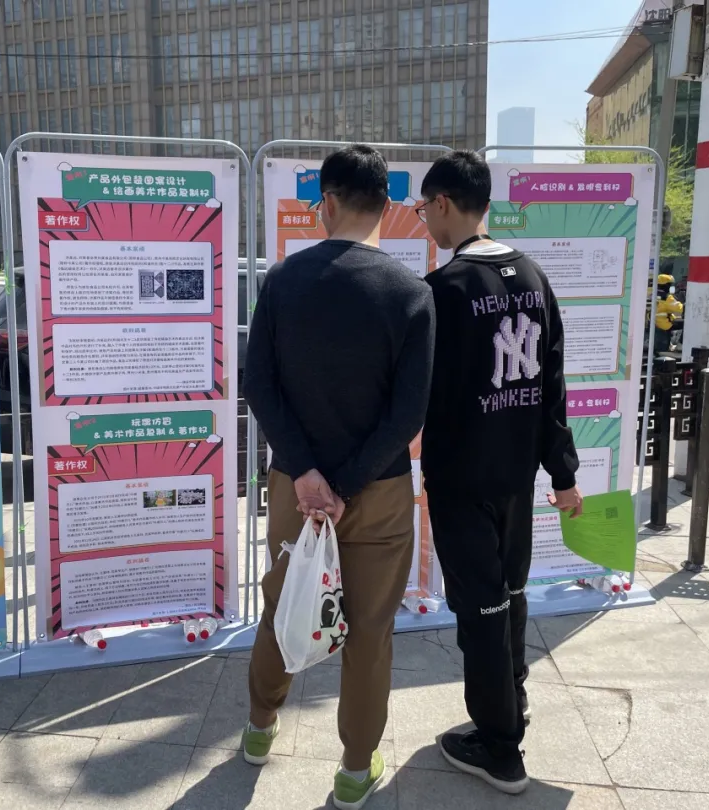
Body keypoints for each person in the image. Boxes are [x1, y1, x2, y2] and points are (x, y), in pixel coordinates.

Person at [242, 144, 435, 810]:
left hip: (294, 489)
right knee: (370, 629)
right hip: (378, 492)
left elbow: (258, 385)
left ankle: (259, 727)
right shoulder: (412, 293)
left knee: (284, 603)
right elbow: (408, 413)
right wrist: (346, 484)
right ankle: (355, 770)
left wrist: (307, 474)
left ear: (326, 202)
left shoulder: (284, 281)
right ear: (387, 205)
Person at [418, 151, 582, 795]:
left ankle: (500, 747)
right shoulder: (534, 276)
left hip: (462, 480)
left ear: (443, 204)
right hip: (516, 477)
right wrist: (562, 473)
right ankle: (512, 699)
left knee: (481, 607)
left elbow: (421, 394)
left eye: (425, 210)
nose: (426, 222)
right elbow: (552, 386)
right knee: (509, 595)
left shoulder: (444, 290)